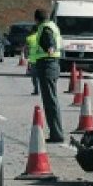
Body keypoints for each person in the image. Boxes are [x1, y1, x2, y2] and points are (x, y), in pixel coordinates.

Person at [33, 8, 64, 143]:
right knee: (51, 100)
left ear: (36, 20)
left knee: (50, 101)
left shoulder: (45, 28)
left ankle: (56, 134)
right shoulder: (51, 25)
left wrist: (50, 48)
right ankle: (55, 132)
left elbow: (50, 43)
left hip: (47, 65)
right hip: (52, 65)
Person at [25, 28, 41, 95]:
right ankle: (42, 90)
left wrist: (26, 56)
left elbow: (26, 48)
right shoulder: (42, 37)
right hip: (42, 59)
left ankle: (36, 90)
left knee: (34, 76)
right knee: (41, 76)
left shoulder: (29, 38)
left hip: (33, 60)